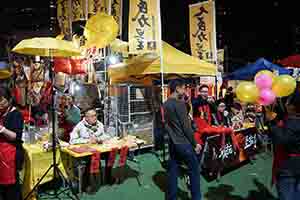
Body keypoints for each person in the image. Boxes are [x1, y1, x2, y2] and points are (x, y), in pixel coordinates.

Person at [163, 79, 202, 200]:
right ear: (177, 89)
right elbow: (186, 127)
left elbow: (166, 124)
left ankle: (172, 197)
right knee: (194, 171)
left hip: (173, 142)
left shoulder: (166, 104)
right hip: (184, 143)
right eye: (184, 88)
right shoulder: (179, 104)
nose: (185, 90)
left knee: (173, 171)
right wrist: (195, 143)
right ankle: (196, 197)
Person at [267, 93, 300, 200]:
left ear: (292, 107)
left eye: (287, 102)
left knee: (288, 195)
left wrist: (271, 123)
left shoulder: (293, 122)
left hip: (289, 165)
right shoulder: (289, 119)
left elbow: (282, 139)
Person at [0, 88, 24, 200]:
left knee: (11, 187)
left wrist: (2, 129)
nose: (0, 104)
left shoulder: (16, 114)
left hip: (10, 155)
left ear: (10, 100)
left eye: (2, 100)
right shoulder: (1, 112)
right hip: (1, 154)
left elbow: (16, 136)